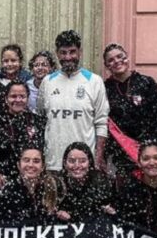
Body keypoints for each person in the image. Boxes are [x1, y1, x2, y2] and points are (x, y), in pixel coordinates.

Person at [38, 30, 110, 170]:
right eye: (63, 53)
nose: (68, 57)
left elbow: (101, 124)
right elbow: (41, 119)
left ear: (80, 52)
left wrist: (97, 159)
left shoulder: (94, 81)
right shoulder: (47, 82)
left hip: (83, 165)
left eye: (72, 52)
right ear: (57, 53)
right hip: (54, 163)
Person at [0, 82, 46, 179]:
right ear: (6, 98)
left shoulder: (38, 121)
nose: (18, 100)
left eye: (22, 96)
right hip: (4, 177)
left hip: (32, 176)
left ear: (28, 98)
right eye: (13, 96)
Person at [103, 43, 157, 141]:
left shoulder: (146, 82)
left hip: (146, 145)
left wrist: (149, 139)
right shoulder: (104, 88)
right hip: (116, 146)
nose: (117, 61)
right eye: (111, 60)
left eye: (120, 56)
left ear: (127, 57)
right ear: (107, 66)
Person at [113, 141, 157, 232]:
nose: (151, 163)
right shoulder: (129, 188)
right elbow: (122, 221)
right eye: (146, 159)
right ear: (139, 162)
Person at [0, 146, 62, 220]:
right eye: (26, 160)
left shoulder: (53, 187)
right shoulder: (9, 190)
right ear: (18, 165)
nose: (31, 165)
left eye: (36, 161)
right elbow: (1, 222)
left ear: (43, 166)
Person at [56, 142, 115, 222]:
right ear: (64, 163)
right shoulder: (57, 182)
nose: (77, 166)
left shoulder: (101, 181)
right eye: (72, 161)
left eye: (82, 161)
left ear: (90, 163)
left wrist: (109, 210)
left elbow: (110, 208)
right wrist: (57, 213)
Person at [0, 44, 33, 120]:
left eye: (13, 60)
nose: (9, 64)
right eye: (6, 61)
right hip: (0, 121)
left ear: (20, 62)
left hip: (24, 120)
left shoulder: (28, 79)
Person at [26, 50, 56, 115]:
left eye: (44, 65)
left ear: (51, 68)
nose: (40, 68)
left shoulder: (56, 86)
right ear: (32, 69)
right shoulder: (26, 86)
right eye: (36, 65)